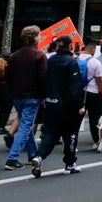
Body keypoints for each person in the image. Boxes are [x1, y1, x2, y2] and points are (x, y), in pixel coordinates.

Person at [31, 36, 85, 177]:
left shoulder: (50, 60)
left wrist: (44, 96)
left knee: (50, 133)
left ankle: (39, 156)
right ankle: (70, 163)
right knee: (71, 135)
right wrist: (80, 105)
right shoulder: (71, 63)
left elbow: (43, 80)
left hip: (51, 103)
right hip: (68, 105)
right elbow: (75, 86)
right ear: (69, 46)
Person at [5, 26, 46, 170]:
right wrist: (43, 95)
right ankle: (12, 158)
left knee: (25, 123)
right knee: (26, 125)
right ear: (35, 37)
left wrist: (13, 91)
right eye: (39, 35)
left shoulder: (15, 55)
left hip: (17, 95)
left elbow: (8, 76)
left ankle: (33, 153)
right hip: (32, 95)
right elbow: (43, 78)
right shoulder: (39, 55)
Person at [78, 37, 102, 149]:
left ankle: (71, 143)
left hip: (79, 93)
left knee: (76, 119)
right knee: (94, 118)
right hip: (92, 93)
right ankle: (96, 141)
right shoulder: (95, 62)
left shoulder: (76, 60)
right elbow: (99, 81)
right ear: (92, 48)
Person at [0, 53, 13, 135]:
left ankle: (0, 126)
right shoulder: (6, 66)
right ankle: (2, 126)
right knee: (6, 109)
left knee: (1, 109)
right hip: (6, 89)